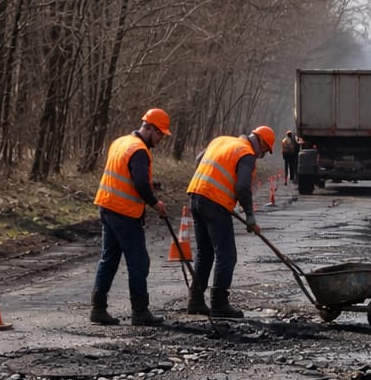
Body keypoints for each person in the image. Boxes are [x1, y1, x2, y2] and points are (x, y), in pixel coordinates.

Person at [91, 107, 170, 326]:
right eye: (160, 133)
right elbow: (140, 183)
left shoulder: (120, 142)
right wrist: (156, 204)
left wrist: (148, 186)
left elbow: (124, 175)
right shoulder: (139, 150)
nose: (161, 138)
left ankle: (97, 309)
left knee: (109, 259)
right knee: (138, 262)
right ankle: (140, 312)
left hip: (107, 206)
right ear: (150, 128)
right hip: (124, 212)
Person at [185, 125, 274, 319]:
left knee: (205, 253)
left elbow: (199, 159)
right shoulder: (246, 153)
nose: (262, 156)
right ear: (260, 142)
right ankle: (219, 303)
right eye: (265, 151)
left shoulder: (222, 140)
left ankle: (195, 301)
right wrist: (250, 216)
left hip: (195, 195)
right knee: (227, 255)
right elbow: (242, 186)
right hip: (214, 203)